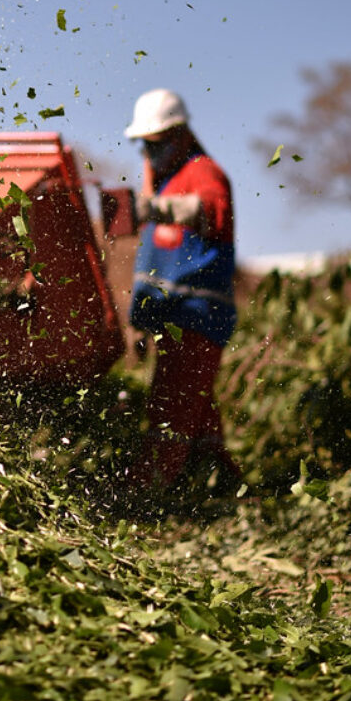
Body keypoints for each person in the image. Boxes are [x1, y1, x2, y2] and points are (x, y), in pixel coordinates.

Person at [122, 88, 241, 501]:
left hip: (198, 316)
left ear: (181, 134)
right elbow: (153, 265)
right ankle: (223, 490)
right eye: (144, 146)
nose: (149, 154)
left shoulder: (203, 172)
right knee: (197, 414)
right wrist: (140, 322)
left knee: (170, 413)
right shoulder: (163, 183)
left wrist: (154, 208)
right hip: (171, 320)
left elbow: (213, 210)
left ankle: (142, 497)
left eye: (155, 144)